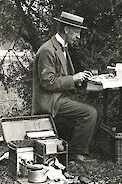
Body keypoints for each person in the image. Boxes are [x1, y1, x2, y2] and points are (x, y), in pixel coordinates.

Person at [32, 11, 101, 162]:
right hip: (49, 102)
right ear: (66, 30)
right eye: (77, 32)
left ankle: (81, 146)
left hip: (60, 97)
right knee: (90, 112)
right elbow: (48, 82)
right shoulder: (47, 50)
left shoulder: (62, 47)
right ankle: (76, 152)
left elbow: (64, 77)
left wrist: (81, 80)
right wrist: (74, 78)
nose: (79, 36)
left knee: (98, 109)